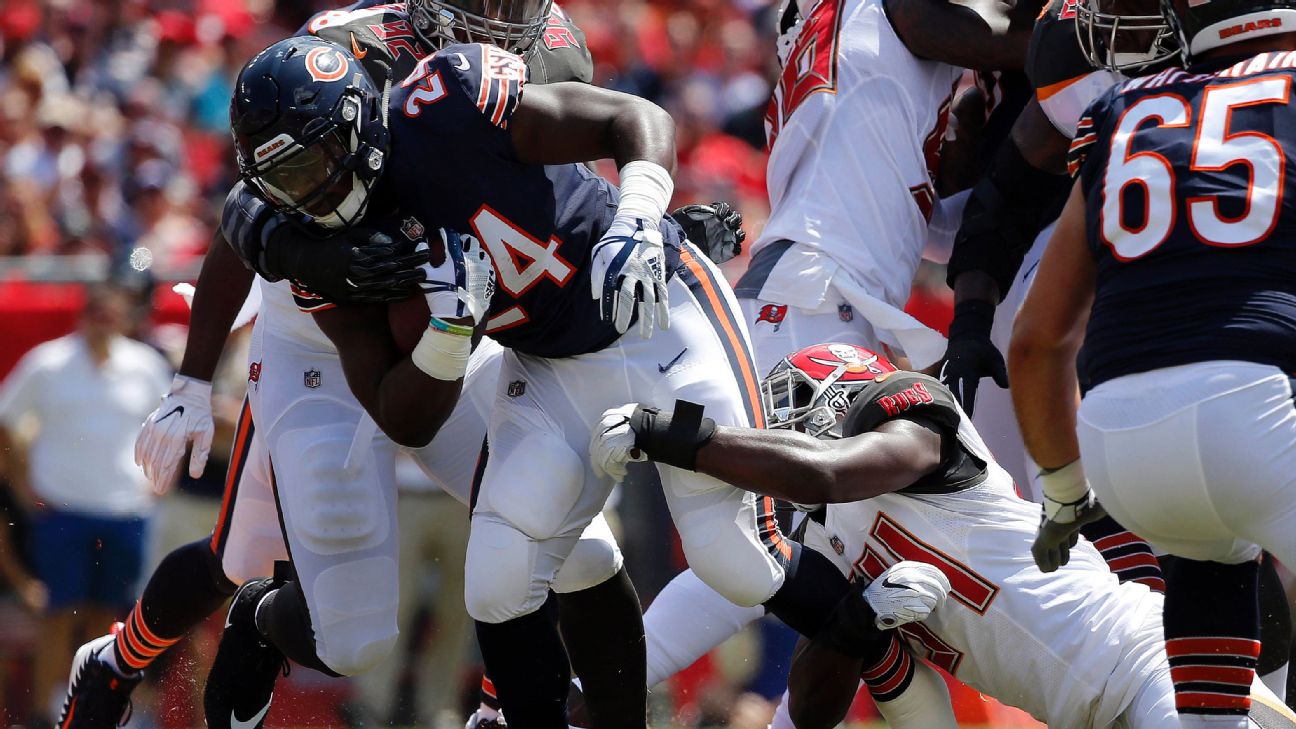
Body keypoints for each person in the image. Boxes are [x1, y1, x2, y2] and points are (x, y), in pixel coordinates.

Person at [53, 5, 636, 729]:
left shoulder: (553, 52)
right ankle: (125, 657)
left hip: (441, 325)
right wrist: (200, 373)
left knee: (569, 540)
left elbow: (562, 200)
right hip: (318, 333)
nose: (499, 21)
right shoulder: (344, 48)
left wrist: (648, 219)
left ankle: (502, 708)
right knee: (254, 563)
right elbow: (249, 206)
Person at [590, 342, 1296, 728]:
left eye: (796, 413)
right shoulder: (832, 547)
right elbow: (811, 709)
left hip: (1151, 666)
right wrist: (853, 625)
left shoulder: (924, 427)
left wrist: (680, 439)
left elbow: (832, 473)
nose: (785, 432)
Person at [1009, 1, 1296, 725]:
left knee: (1207, 577)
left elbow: (1037, 340)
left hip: (1121, 451)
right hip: (1258, 415)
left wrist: (1067, 493)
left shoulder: (1121, 107)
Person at [0, 283, 170, 727]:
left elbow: (171, 424)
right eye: (98, 312)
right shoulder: (48, 362)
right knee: (58, 614)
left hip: (126, 511)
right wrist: (21, 483)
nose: (104, 321)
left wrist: (158, 483)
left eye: (112, 313)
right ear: (84, 315)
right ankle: (42, 715)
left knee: (111, 617)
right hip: (64, 510)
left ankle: (94, 711)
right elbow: (6, 420)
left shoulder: (145, 365)